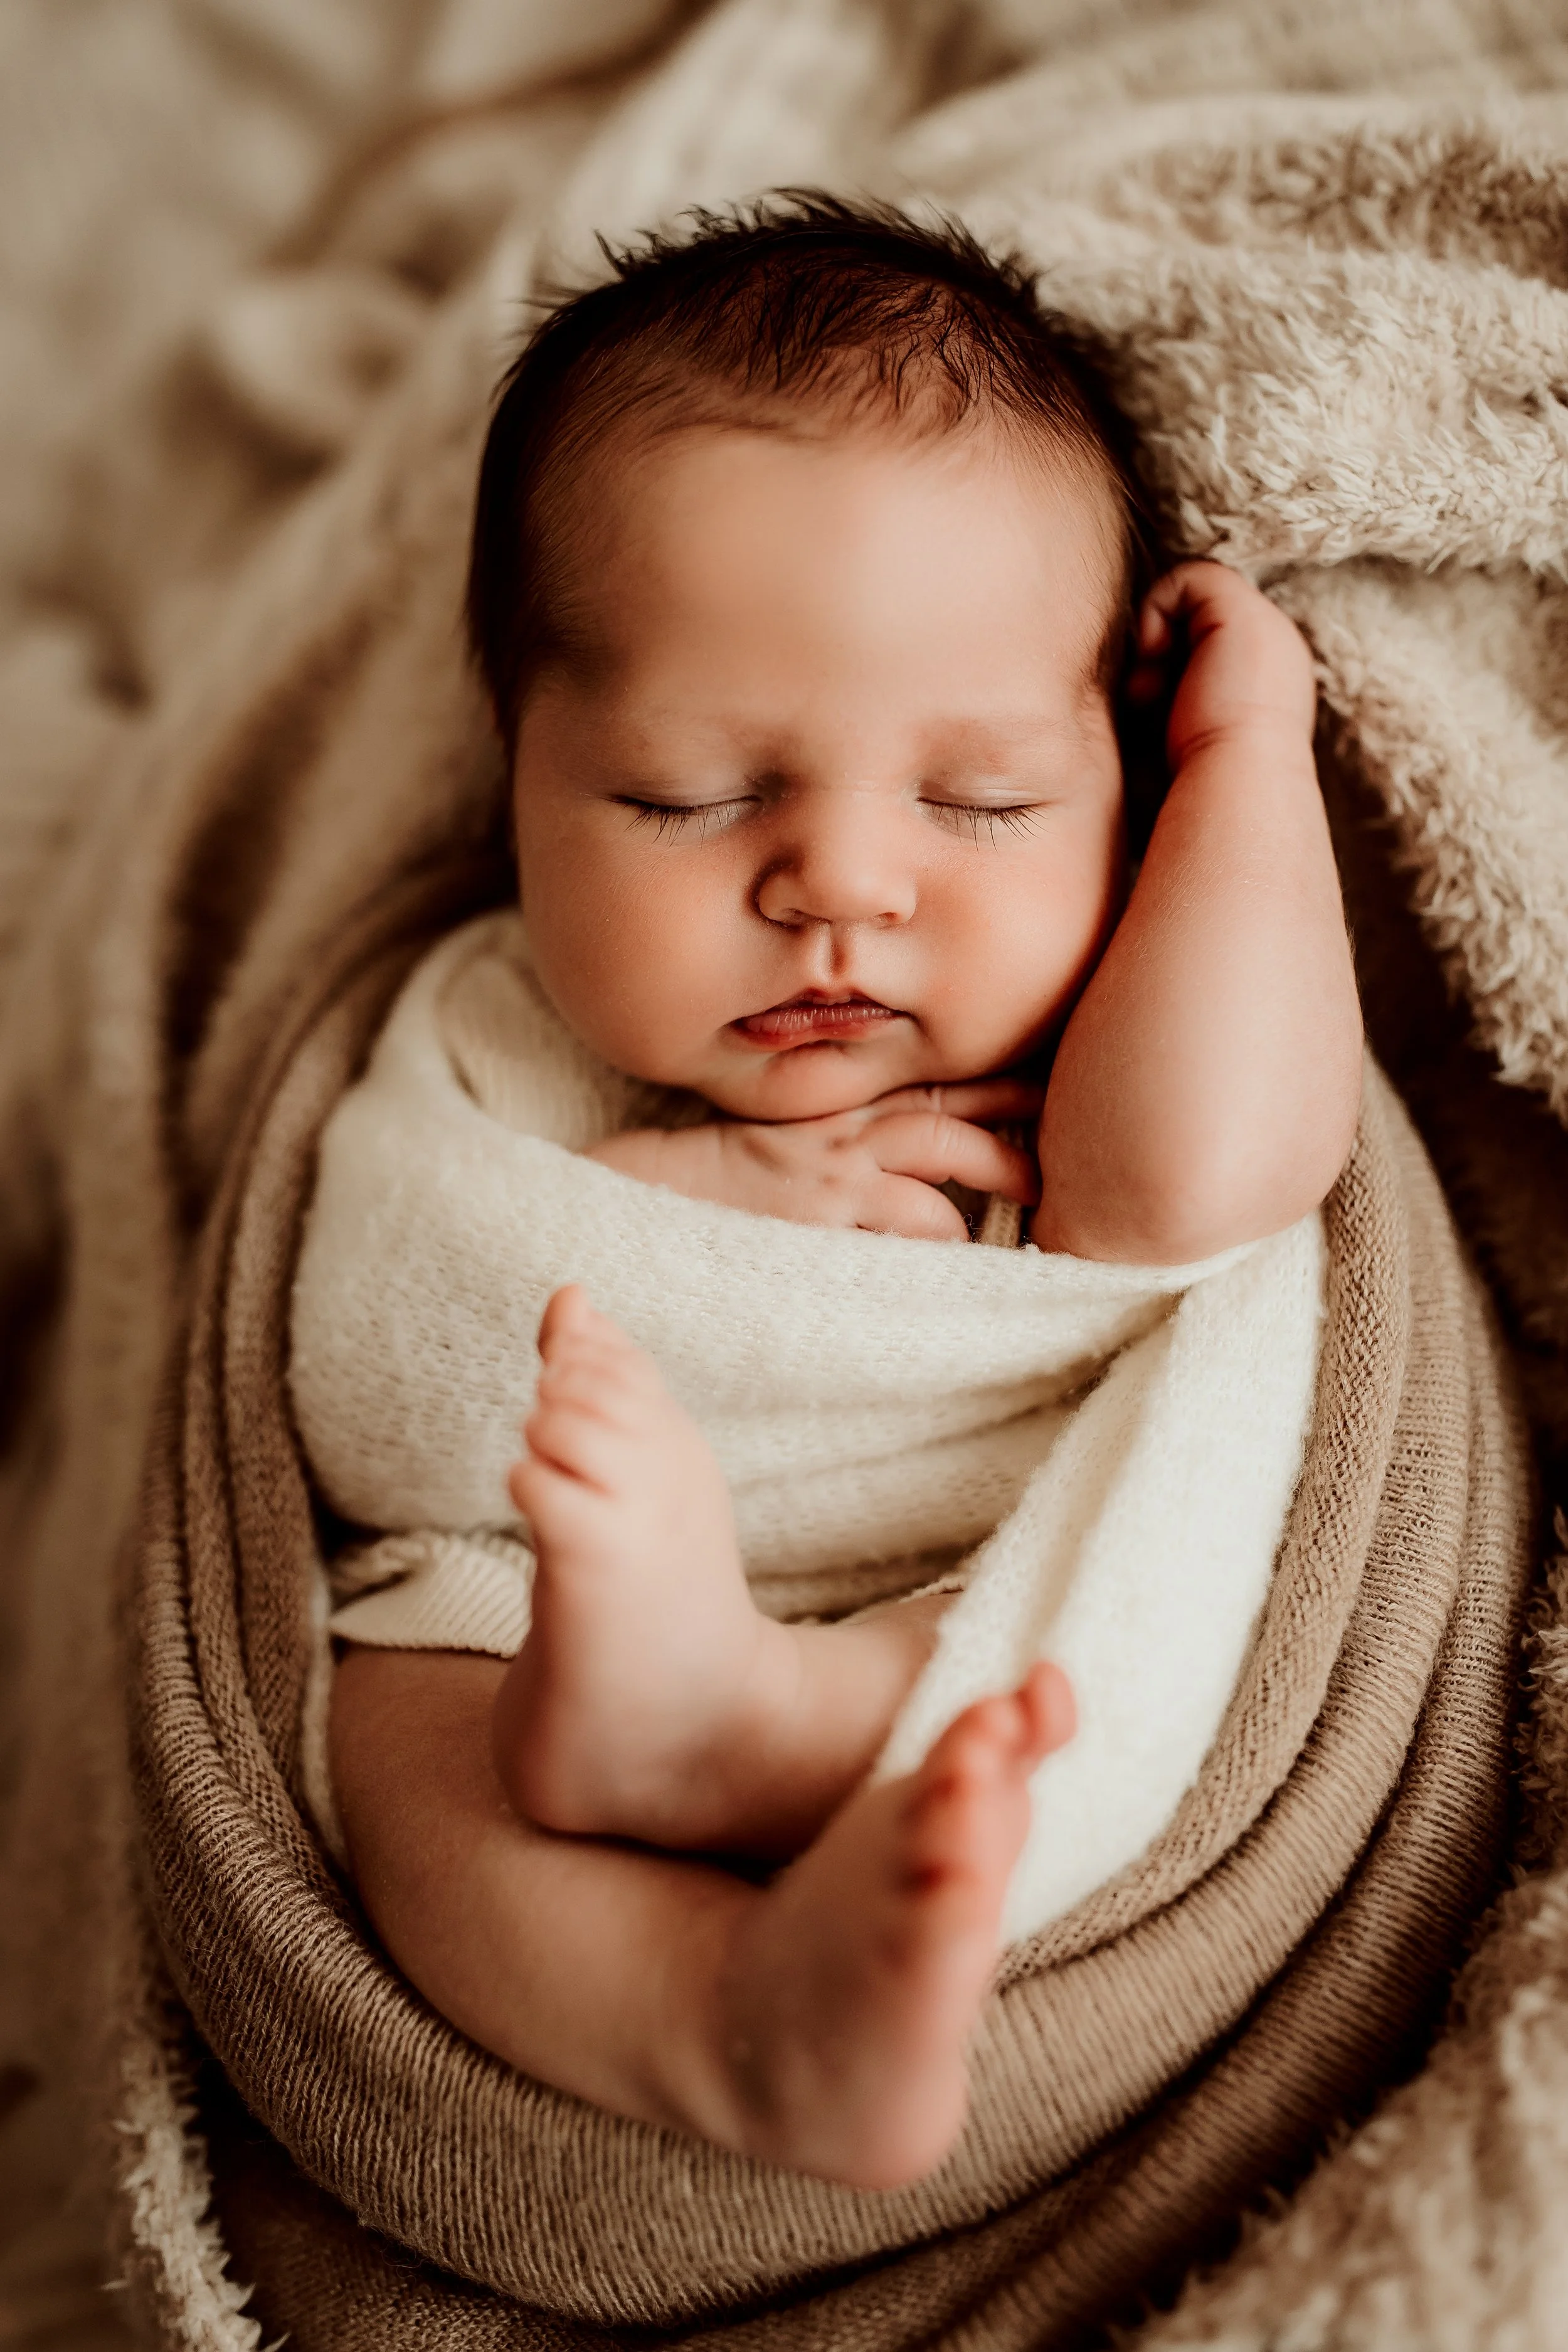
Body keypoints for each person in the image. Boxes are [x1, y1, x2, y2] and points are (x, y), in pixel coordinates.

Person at [316, 196, 1362, 2191]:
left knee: (1088, 1637)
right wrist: (665, 1197)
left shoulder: (1096, 1039)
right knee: (396, 1732)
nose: (842, 888)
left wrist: (1251, 751)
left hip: (956, 1609)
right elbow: (380, 1375)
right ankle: (721, 2020)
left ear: (1117, 778)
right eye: (692, 795)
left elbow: (1212, 1187)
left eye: (977, 799)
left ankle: (754, 1722)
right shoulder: (493, 1036)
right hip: (541, 1628)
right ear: (514, 772)